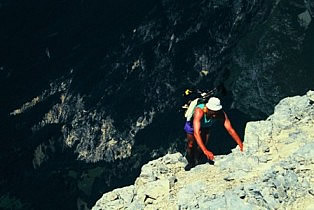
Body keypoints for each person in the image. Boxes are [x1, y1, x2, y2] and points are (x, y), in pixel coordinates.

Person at [184, 97, 243, 170]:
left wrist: (241, 145)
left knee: (202, 145)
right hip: (192, 126)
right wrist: (205, 150)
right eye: (213, 112)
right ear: (208, 108)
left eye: (216, 112)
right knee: (191, 144)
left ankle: (197, 160)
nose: (214, 115)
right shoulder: (199, 112)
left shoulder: (220, 114)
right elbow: (196, 133)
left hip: (206, 126)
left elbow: (230, 129)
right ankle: (191, 162)